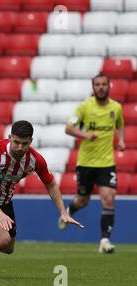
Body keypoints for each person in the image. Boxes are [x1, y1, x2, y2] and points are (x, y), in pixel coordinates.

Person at [0, 120, 84, 277]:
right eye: (16, 142)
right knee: (3, 240)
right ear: (9, 138)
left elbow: (51, 185)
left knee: (8, 248)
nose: (20, 147)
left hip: (5, 202)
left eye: (25, 143)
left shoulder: (35, 159)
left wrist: (63, 211)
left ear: (31, 141)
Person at [59, 74, 125, 254]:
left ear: (109, 86)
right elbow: (68, 128)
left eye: (104, 84)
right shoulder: (85, 107)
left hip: (106, 163)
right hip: (86, 163)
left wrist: (121, 140)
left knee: (109, 199)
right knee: (83, 200)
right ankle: (70, 209)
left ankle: (104, 241)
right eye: (98, 84)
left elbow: (119, 124)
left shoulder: (116, 107)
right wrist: (86, 135)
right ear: (93, 87)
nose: (101, 87)